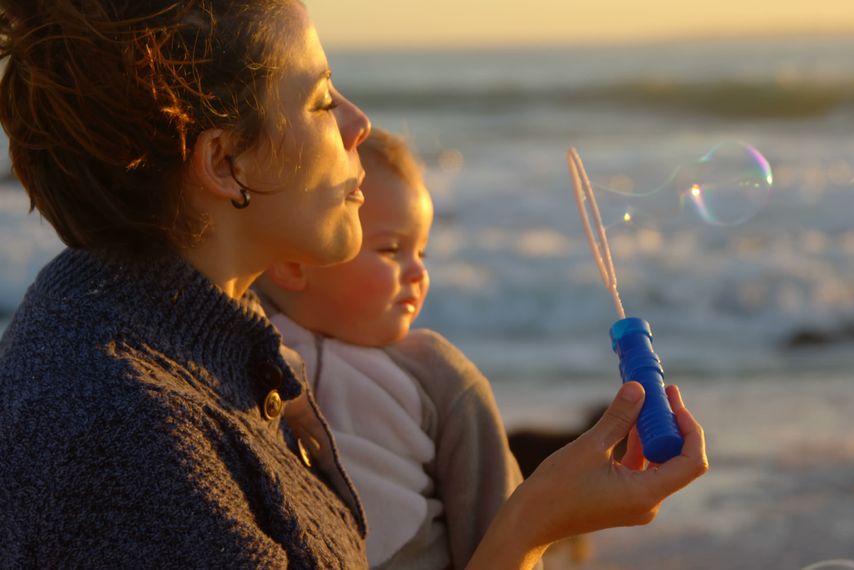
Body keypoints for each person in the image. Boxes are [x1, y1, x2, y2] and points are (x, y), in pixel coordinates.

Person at [0, 2, 709, 569]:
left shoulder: (197, 348)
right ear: (225, 163)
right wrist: (529, 526)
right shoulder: (127, 430)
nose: (358, 123)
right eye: (318, 101)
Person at [257, 128, 524, 569]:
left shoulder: (438, 373)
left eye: (421, 251)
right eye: (392, 249)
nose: (418, 271)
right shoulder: (245, 341)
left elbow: (498, 522)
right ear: (293, 263)